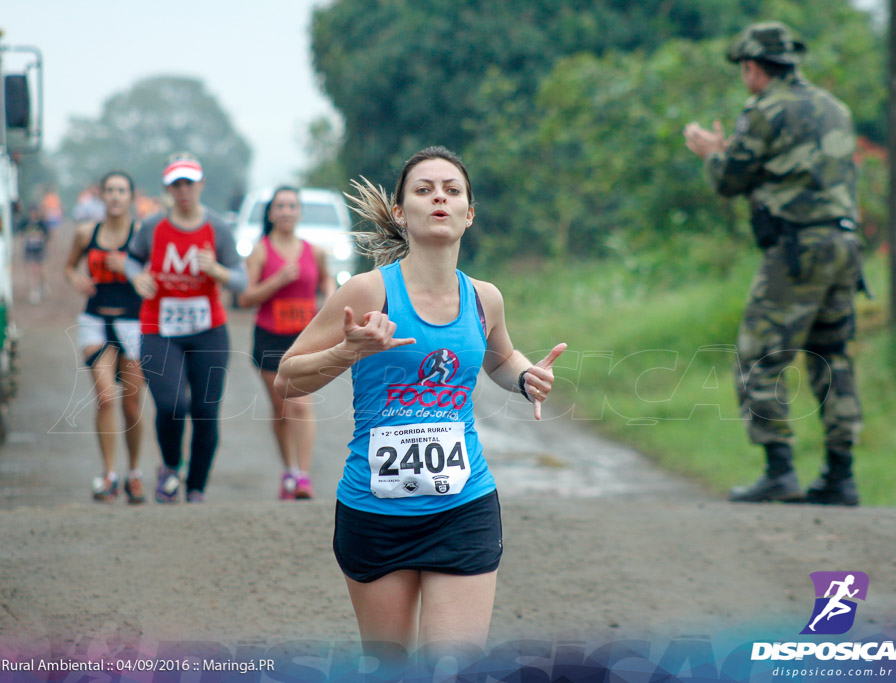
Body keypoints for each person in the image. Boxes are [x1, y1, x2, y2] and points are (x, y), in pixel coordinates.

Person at [274, 146, 566, 657]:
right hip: (375, 511)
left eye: (453, 191)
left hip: (463, 505)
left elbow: (499, 359)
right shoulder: (366, 293)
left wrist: (525, 378)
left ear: (468, 214)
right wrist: (348, 350)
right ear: (399, 210)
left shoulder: (484, 297)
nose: (439, 198)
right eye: (424, 189)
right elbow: (287, 379)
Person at [683, 22, 863, 506]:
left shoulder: (766, 109)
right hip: (845, 245)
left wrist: (710, 153)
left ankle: (779, 469)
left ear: (753, 67)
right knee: (834, 355)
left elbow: (731, 179)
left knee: (760, 353)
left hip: (797, 248)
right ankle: (841, 476)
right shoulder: (835, 108)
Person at [126, 153, 247, 504]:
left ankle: (196, 488)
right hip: (159, 327)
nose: (183, 190)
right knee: (172, 403)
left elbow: (241, 280)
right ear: (168, 189)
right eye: (176, 184)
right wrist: (138, 279)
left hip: (208, 329)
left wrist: (218, 272)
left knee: (206, 411)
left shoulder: (218, 228)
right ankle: (170, 466)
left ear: (201, 185)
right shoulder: (152, 227)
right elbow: (133, 260)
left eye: (189, 183)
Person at [238, 186, 335, 500]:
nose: (286, 212)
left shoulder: (314, 250)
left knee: (300, 404)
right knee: (281, 409)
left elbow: (326, 280)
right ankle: (289, 470)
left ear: (299, 212)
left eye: (292, 206)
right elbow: (245, 297)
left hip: (305, 338)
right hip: (270, 337)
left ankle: (303, 477)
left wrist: (330, 300)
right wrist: (278, 280)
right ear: (270, 213)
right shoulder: (261, 251)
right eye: (280, 207)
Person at [63, 171, 145, 503]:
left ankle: (135, 473)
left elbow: (155, 276)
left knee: (131, 403)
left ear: (131, 197)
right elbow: (69, 266)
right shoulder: (86, 233)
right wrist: (75, 278)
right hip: (96, 319)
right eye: (109, 190)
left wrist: (128, 268)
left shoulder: (141, 236)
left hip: (134, 321)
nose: (114, 196)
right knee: (106, 397)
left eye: (121, 191)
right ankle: (109, 473)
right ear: (101, 196)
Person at [21, 207, 50, 304]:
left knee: (41, 269)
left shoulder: (41, 224)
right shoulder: (26, 223)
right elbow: (21, 233)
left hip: (39, 249)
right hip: (30, 249)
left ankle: (43, 286)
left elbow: (47, 235)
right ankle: (35, 290)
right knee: (33, 270)